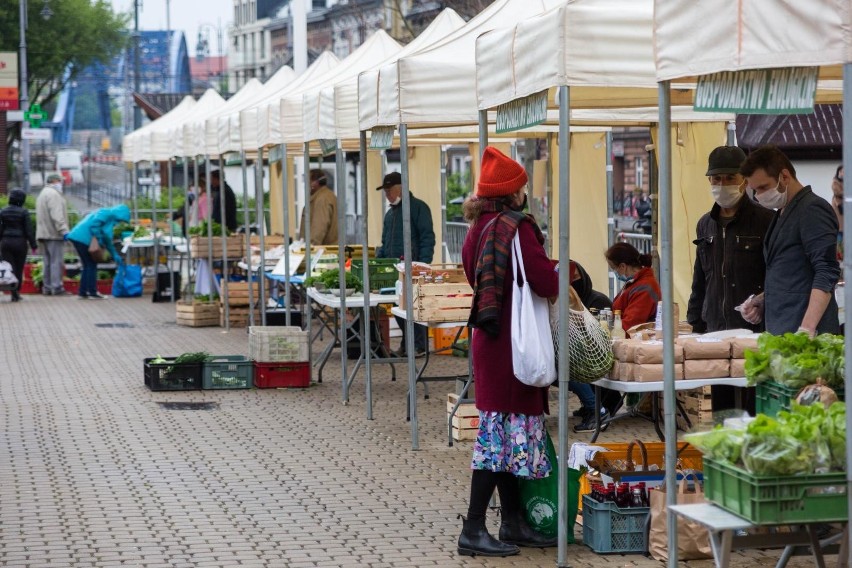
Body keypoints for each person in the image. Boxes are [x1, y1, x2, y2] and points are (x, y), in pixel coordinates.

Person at [458, 146, 558, 557]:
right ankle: (474, 529)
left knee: (505, 439)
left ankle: (513, 522)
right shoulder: (518, 228)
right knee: (497, 439)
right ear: (511, 193)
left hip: (490, 338)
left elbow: (473, 278)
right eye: (521, 187)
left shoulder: (475, 230)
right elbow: (545, 282)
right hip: (514, 346)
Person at [687, 146, 774, 413]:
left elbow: (776, 274)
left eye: (729, 178)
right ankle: (727, 454)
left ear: (744, 180)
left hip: (754, 331)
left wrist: (764, 305)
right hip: (715, 329)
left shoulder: (766, 220)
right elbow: (700, 278)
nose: (722, 185)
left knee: (753, 401)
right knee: (722, 405)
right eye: (716, 179)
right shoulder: (705, 224)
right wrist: (695, 324)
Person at [739, 146, 841, 336]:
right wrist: (763, 300)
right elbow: (794, 273)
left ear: (784, 176)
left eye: (763, 187)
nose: (759, 196)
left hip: (806, 336)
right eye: (754, 191)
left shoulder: (812, 209)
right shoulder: (781, 213)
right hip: (781, 331)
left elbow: (826, 270)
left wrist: (807, 328)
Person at [376, 171, 435, 356]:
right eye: (385, 191)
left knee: (415, 309)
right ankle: (407, 344)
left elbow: (427, 238)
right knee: (400, 310)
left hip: (414, 268)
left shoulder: (418, 208)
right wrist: (381, 263)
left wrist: (423, 264)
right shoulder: (389, 214)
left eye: (389, 190)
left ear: (400, 188)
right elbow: (385, 243)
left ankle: (419, 346)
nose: (387, 194)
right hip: (395, 270)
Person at [565, 260, 618, 433]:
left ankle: (596, 410)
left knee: (566, 365)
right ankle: (589, 404)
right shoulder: (569, 301)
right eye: (569, 279)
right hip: (585, 354)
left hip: (598, 355)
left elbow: (599, 335)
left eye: (575, 277)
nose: (573, 282)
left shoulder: (597, 300)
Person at [66, 204, 130, 299]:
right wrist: (99, 237)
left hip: (78, 237)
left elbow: (107, 240)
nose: (119, 222)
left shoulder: (109, 220)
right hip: (82, 239)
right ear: (119, 214)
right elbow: (94, 226)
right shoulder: (106, 212)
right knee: (91, 265)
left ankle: (83, 292)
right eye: (121, 220)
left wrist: (114, 254)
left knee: (87, 266)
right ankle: (92, 292)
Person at [605, 242, 661, 332]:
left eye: (613, 268)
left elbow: (631, 325)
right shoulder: (634, 283)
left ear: (623, 266)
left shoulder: (644, 288)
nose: (615, 272)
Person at [36, 174, 71, 296]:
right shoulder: (54, 194)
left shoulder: (43, 193)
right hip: (53, 234)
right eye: (60, 181)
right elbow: (57, 215)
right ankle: (56, 287)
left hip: (43, 233)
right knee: (56, 262)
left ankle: (47, 287)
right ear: (54, 181)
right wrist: (64, 230)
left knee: (47, 262)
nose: (61, 183)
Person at [0, 189, 37, 301]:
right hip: (20, 243)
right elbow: (29, 230)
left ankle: (13, 291)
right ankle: (16, 292)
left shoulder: (3, 211)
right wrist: (33, 244)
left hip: (6, 242)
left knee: (10, 267)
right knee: (19, 267)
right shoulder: (23, 212)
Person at [298, 169, 338, 246]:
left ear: (315, 183)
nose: (306, 185)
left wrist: (311, 248)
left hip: (322, 252)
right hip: (326, 250)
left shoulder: (322, 199)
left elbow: (319, 227)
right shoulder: (327, 195)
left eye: (308, 182)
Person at [199, 168, 237, 233]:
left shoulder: (224, 192)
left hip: (226, 227)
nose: (211, 182)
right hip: (225, 226)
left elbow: (223, 211)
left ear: (216, 179)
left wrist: (216, 225)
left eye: (211, 179)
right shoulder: (222, 190)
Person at [831, 165, 843, 260]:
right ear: (838, 172)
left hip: (845, 210)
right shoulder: (835, 182)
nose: (843, 173)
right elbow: (838, 192)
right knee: (839, 232)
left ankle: (843, 253)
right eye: (841, 171)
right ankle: (839, 254)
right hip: (839, 209)